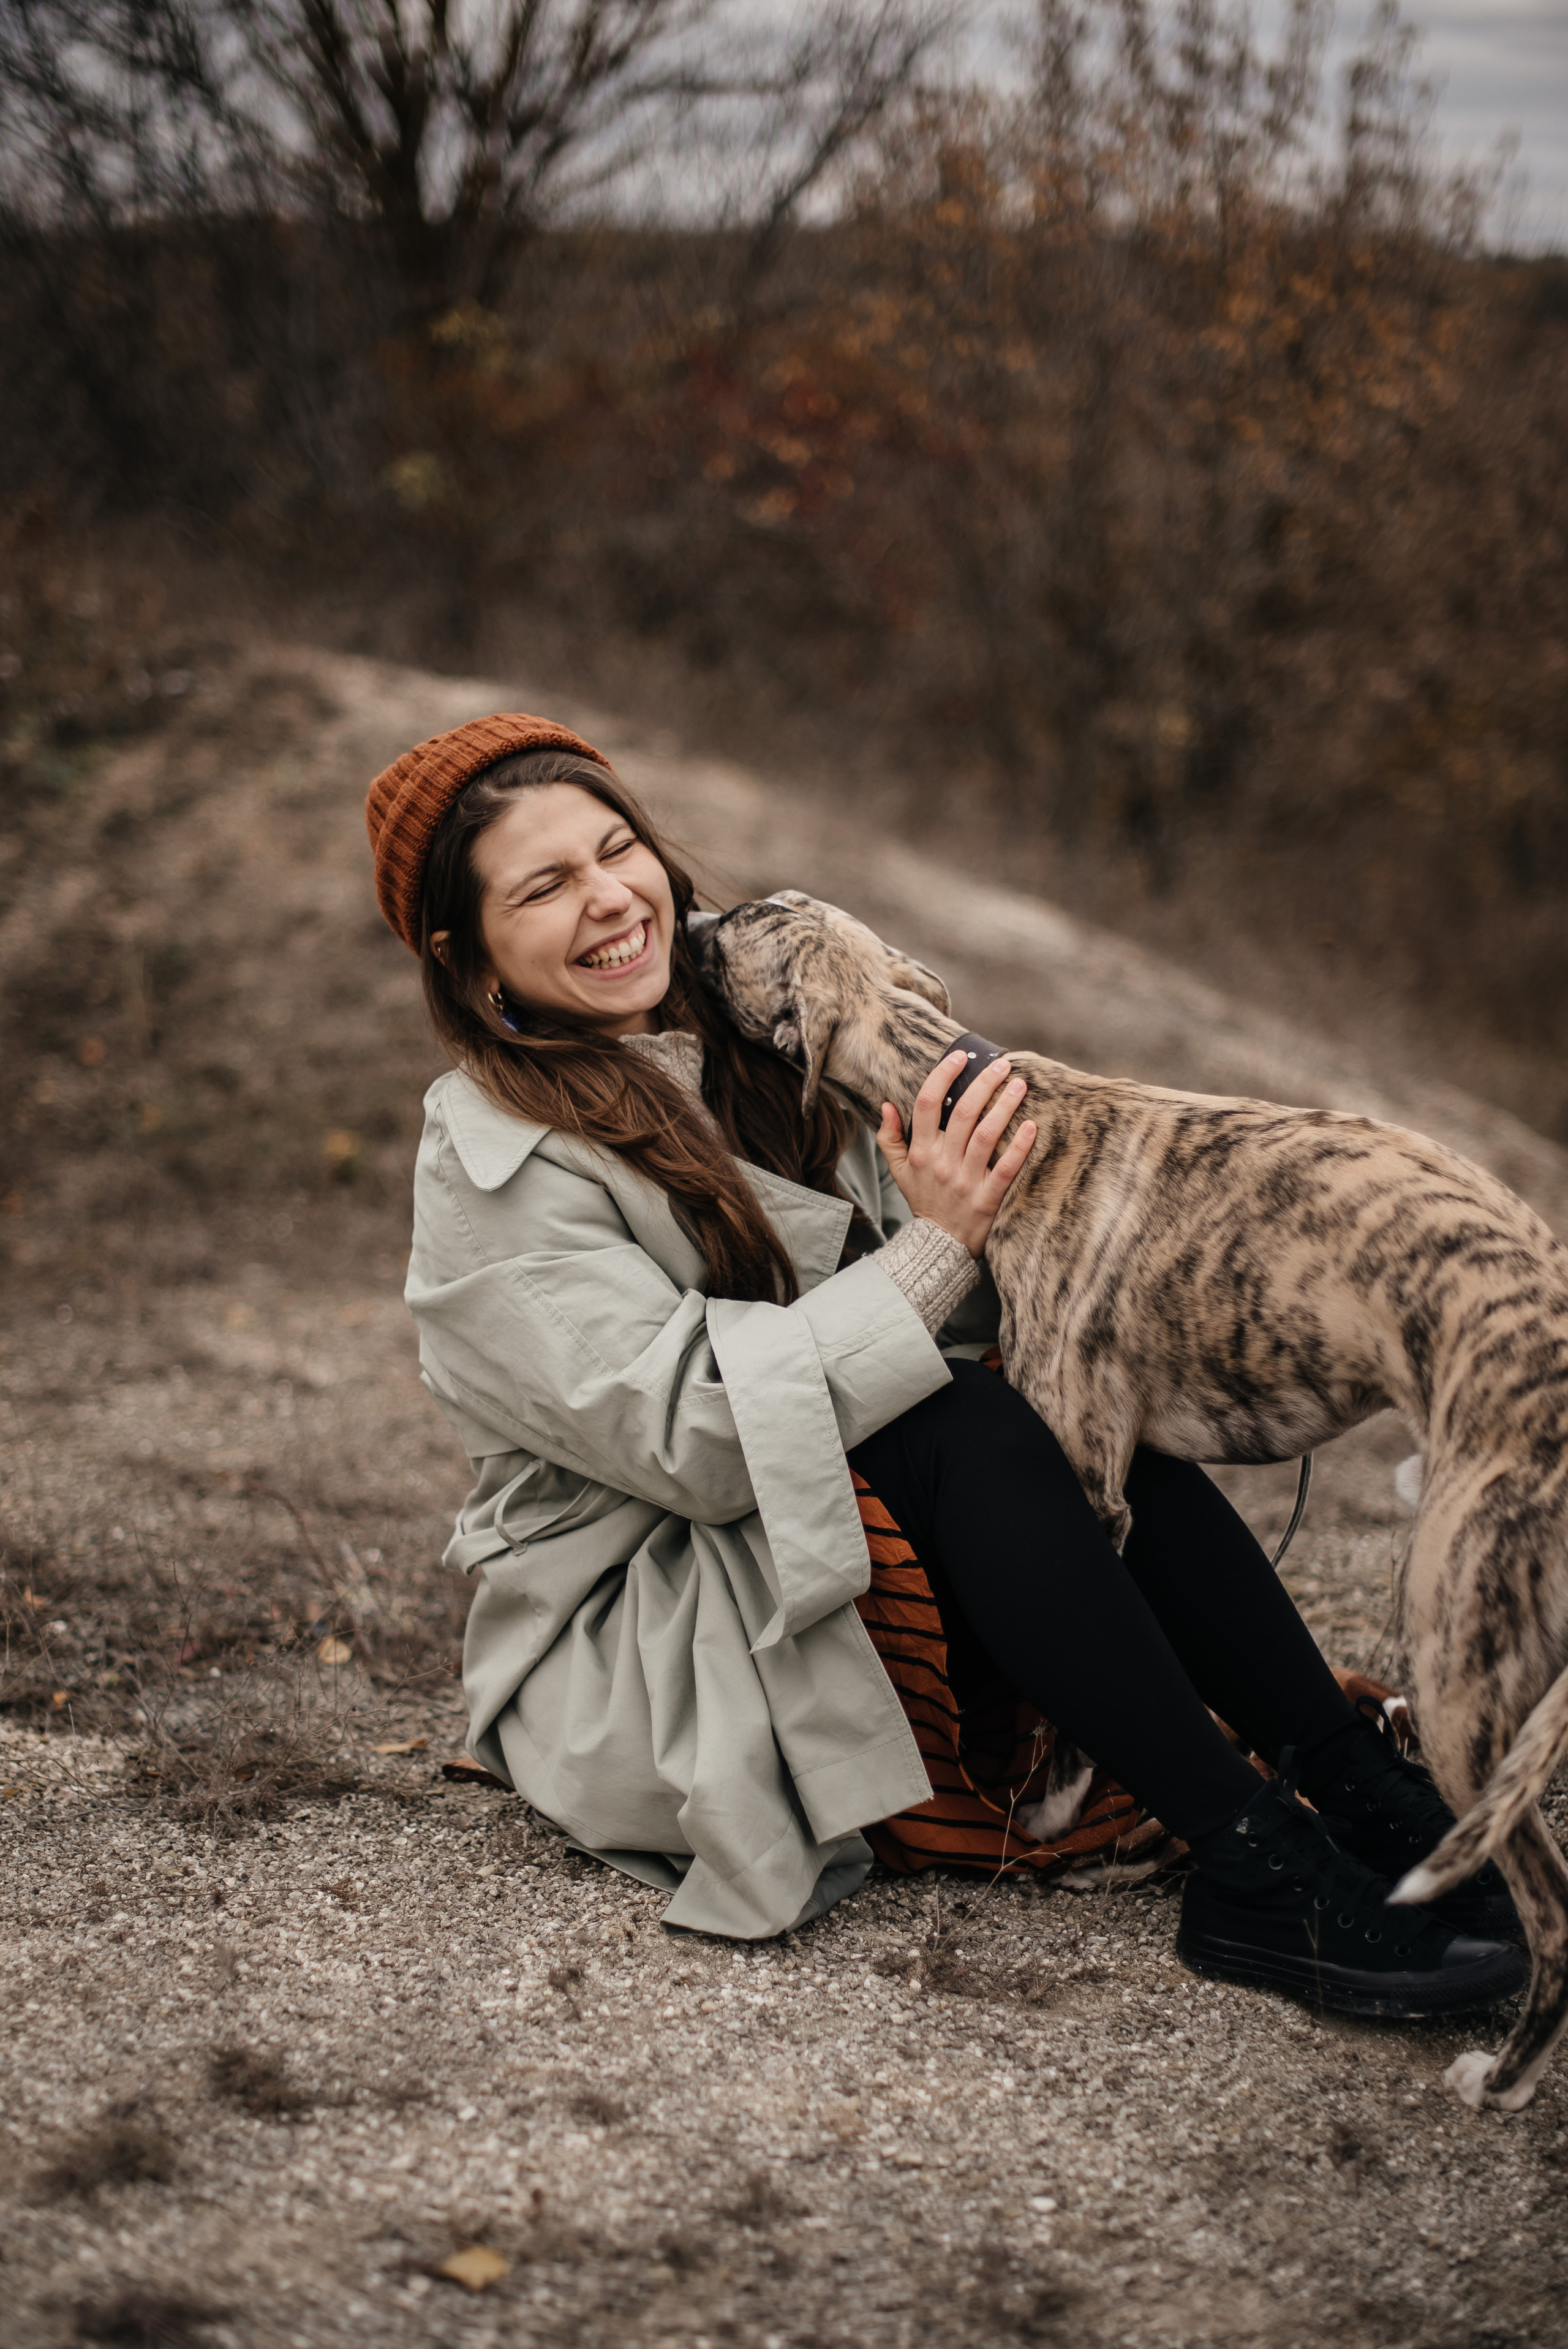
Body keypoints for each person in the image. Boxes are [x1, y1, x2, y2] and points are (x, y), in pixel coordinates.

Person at [365, 712, 1523, 2016]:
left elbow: (972, 1324)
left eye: (615, 850)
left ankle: (1355, 1793)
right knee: (952, 1421)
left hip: (851, 1539)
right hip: (669, 1597)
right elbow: (688, 1440)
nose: (609, 899)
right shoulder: (487, 1164)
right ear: (468, 962)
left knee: (1059, 1411)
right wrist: (932, 1250)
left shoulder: (771, 1037)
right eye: (544, 886)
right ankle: (1254, 1864)